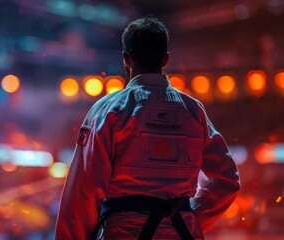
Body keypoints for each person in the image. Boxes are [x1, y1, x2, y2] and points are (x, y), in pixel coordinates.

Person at [55, 17, 240, 240]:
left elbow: (82, 194)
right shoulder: (193, 111)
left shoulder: (108, 111)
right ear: (165, 59)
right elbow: (226, 181)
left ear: (126, 59)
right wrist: (189, 218)